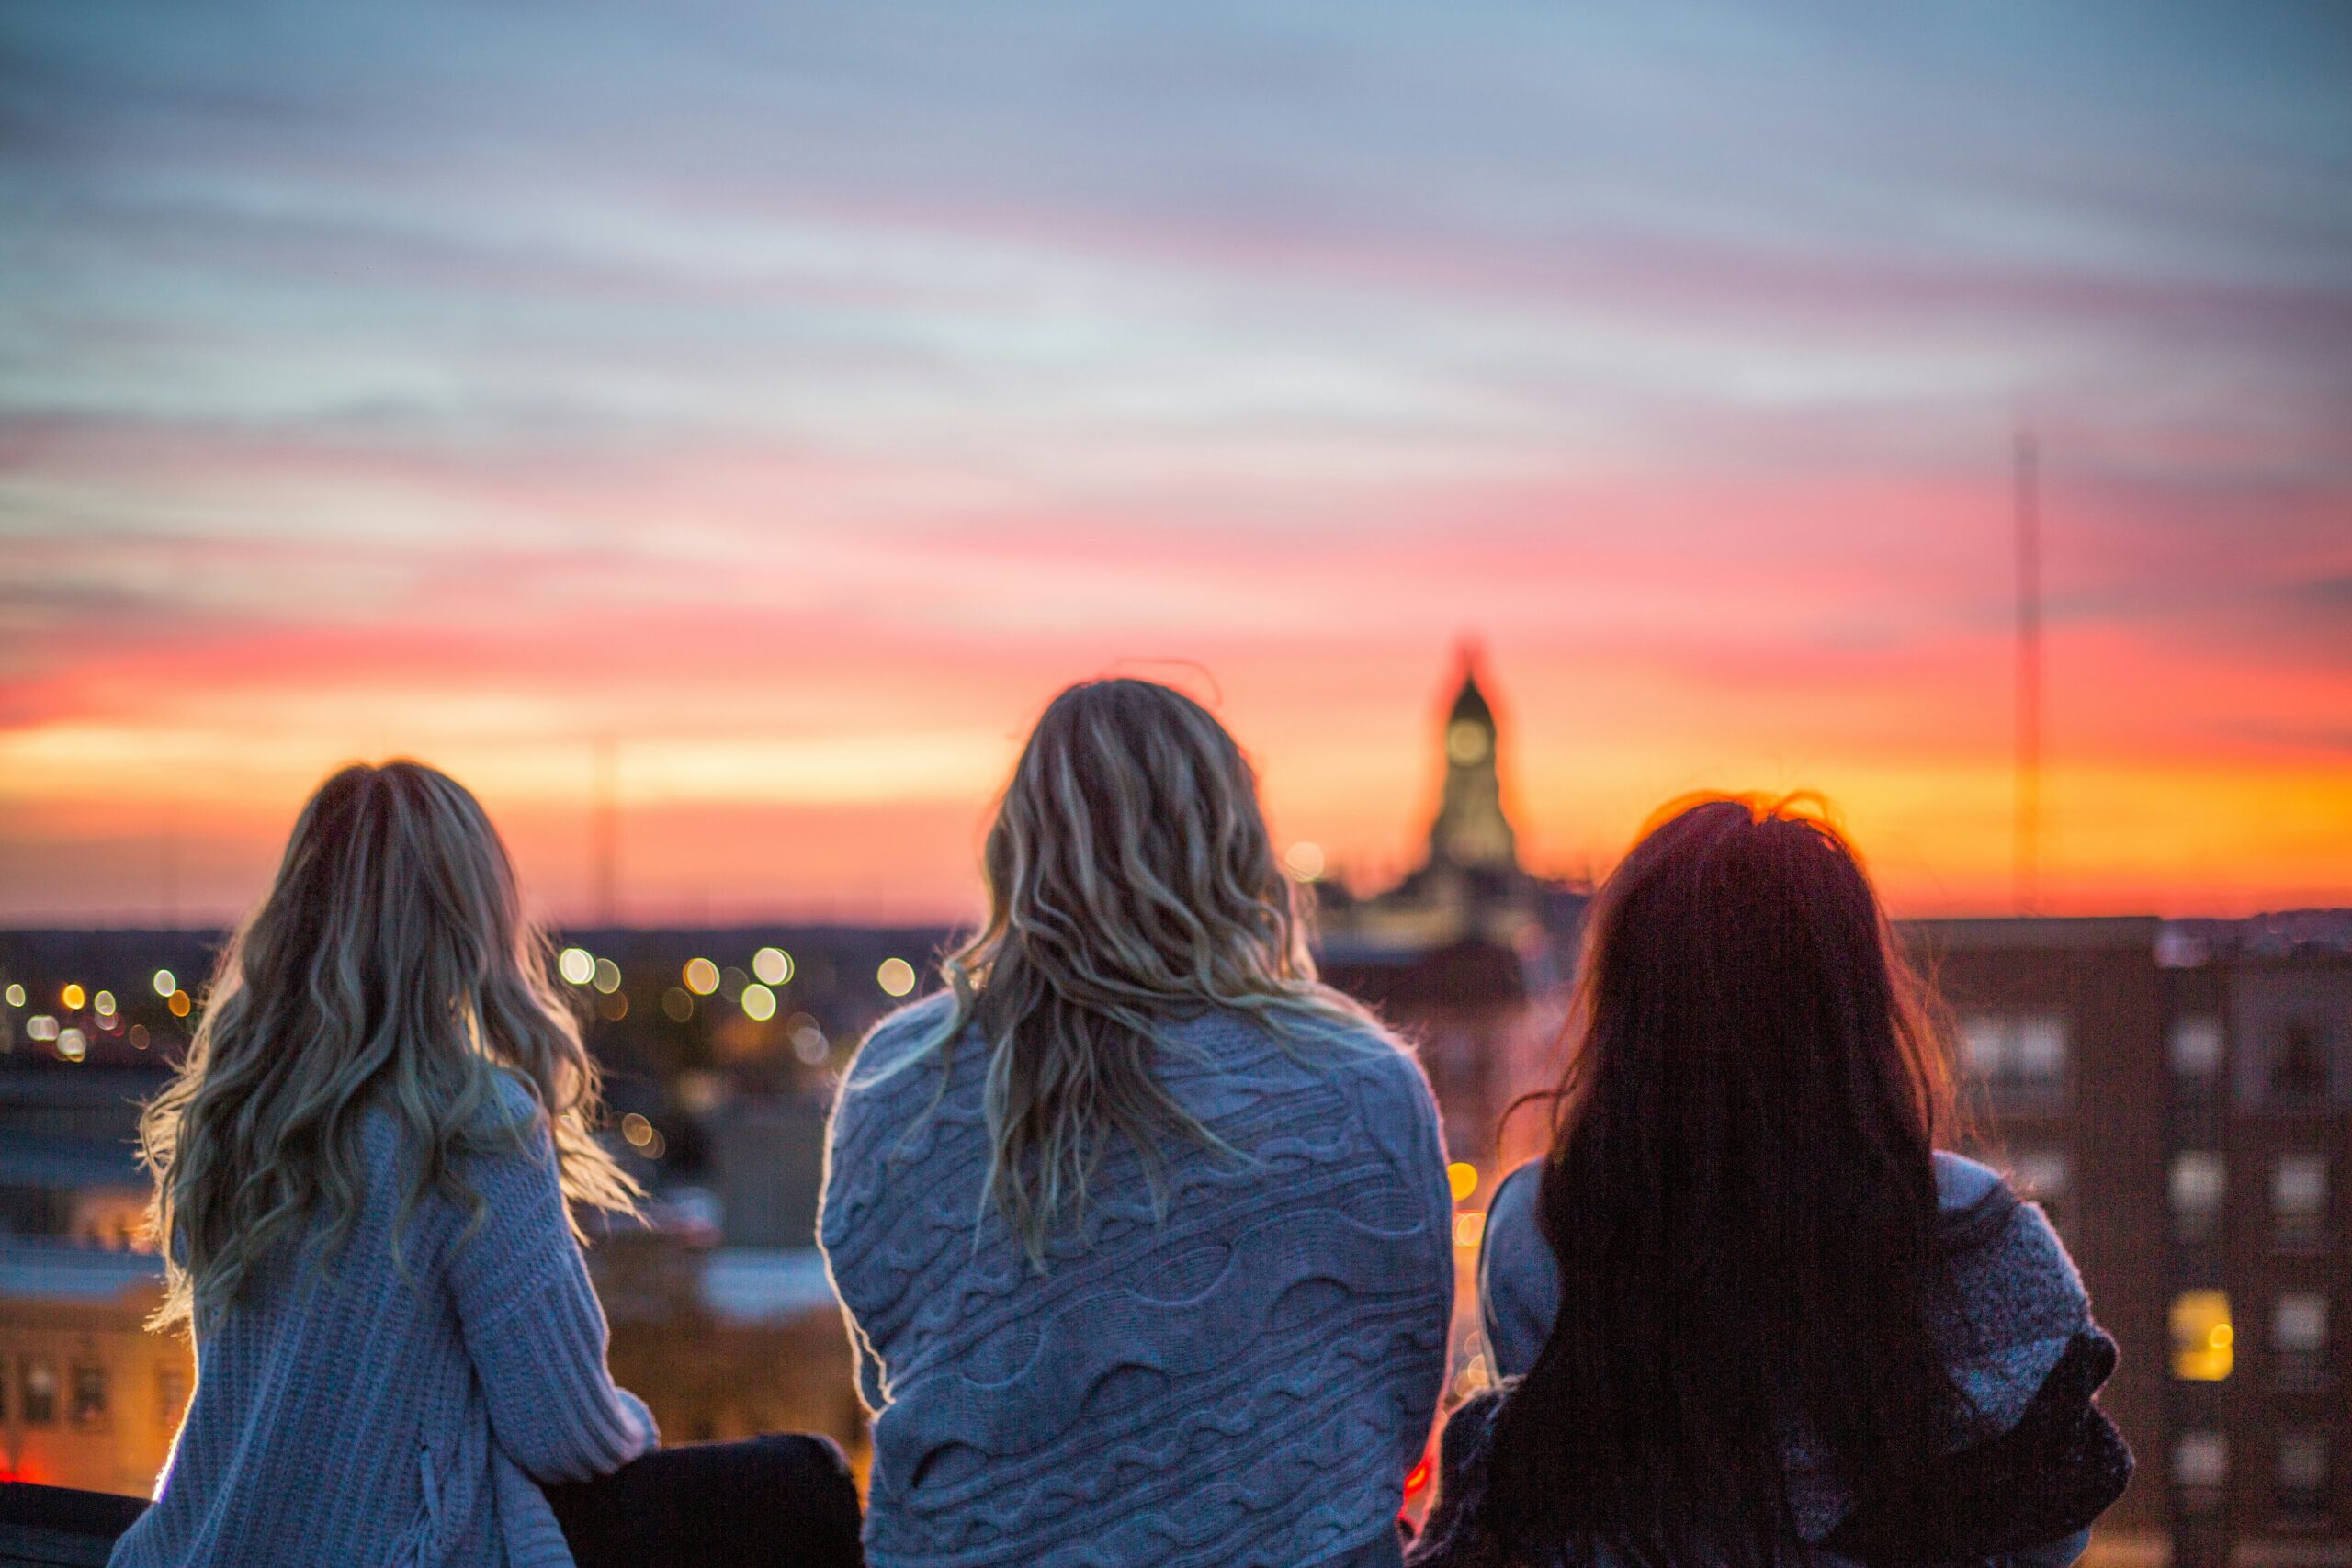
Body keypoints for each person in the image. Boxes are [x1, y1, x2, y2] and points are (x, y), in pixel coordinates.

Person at [112, 761, 861, 1568]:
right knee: (801, 1482)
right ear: (467, 924)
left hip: (199, 1548)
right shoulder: (466, 1124)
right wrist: (632, 1424)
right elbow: (565, 1433)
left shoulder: (235, 1116)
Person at [820, 679, 1454, 1568]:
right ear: (1233, 843)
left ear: (1020, 843)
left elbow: (897, 1382)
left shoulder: (901, 1086)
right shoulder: (1362, 1083)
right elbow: (1396, 1414)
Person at [1411, 795, 2131, 1568]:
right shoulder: (1991, 1237)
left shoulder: (1543, 1225)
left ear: (1630, 1007)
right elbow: (2053, 1535)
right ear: (1855, 1001)